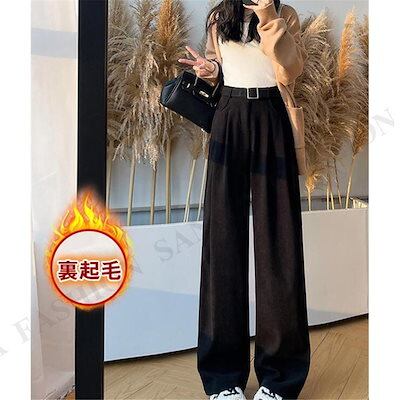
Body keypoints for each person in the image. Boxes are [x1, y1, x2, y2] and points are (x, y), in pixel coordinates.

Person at [179, 1, 310, 399]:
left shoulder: (284, 14)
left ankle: (280, 377)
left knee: (279, 244)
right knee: (222, 242)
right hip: (229, 118)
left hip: (272, 116)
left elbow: (290, 70)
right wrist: (211, 70)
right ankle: (223, 378)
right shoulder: (220, 16)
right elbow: (223, 71)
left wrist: (268, 18)